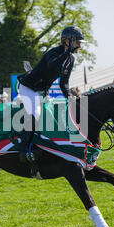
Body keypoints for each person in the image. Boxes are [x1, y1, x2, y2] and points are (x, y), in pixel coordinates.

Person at [16, 25, 83, 162]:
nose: (79, 46)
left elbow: (63, 83)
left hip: (42, 91)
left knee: (51, 113)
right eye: (77, 42)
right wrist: (66, 53)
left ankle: (43, 143)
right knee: (36, 114)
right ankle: (23, 150)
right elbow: (52, 66)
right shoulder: (52, 53)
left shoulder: (71, 59)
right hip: (29, 87)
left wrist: (69, 98)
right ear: (67, 41)